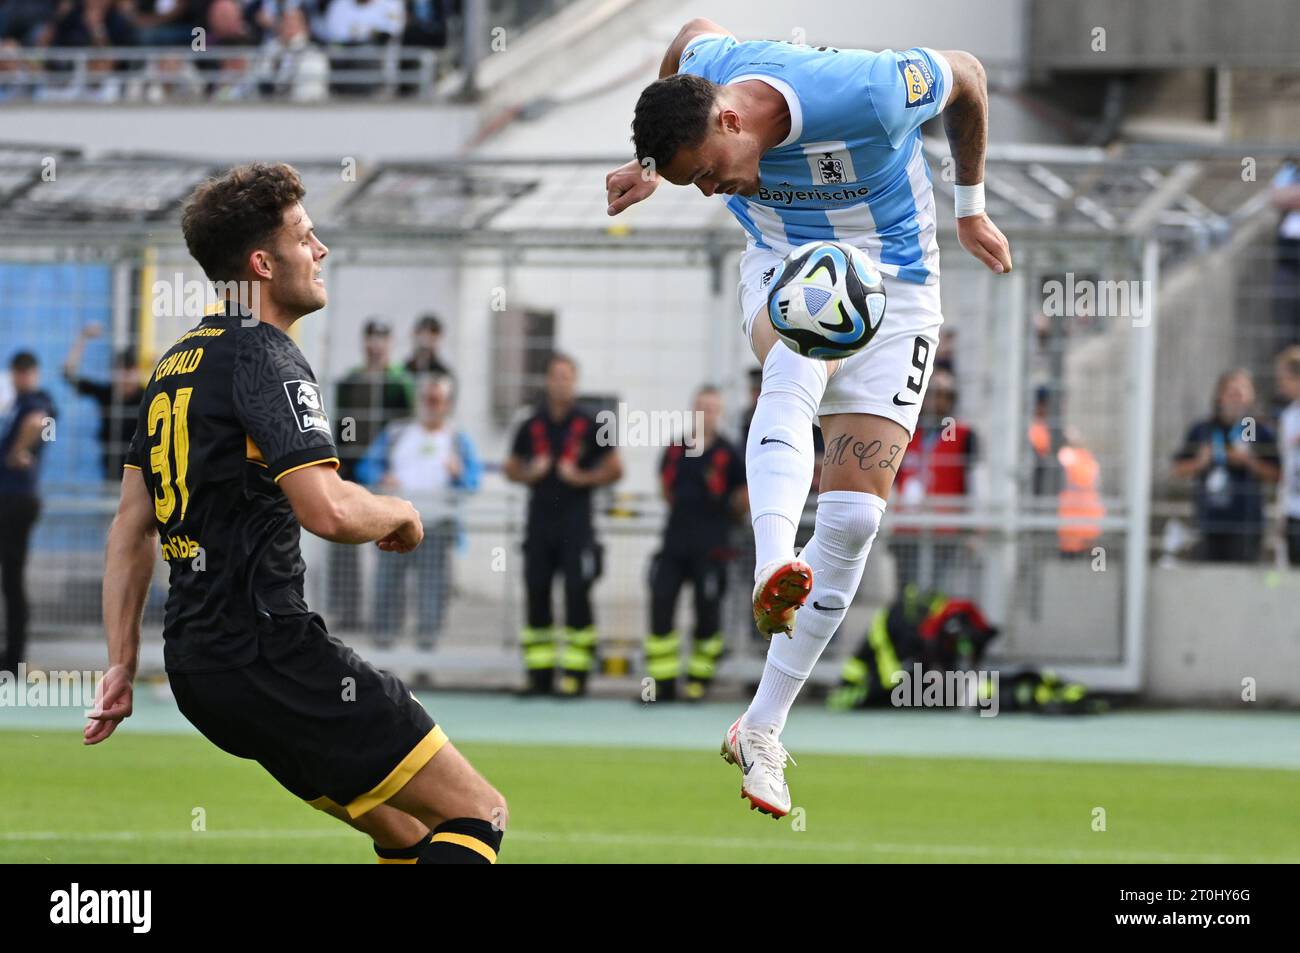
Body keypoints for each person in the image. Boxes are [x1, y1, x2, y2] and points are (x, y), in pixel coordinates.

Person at [606, 19, 1011, 817]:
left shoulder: (870, 91)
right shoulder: (706, 73)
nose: (712, 191)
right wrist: (654, 166)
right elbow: (691, 31)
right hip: (783, 261)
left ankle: (762, 727)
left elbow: (966, 72)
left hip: (897, 282)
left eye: (710, 174)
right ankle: (771, 567)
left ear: (730, 119)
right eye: (695, 185)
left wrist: (970, 205)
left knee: (857, 518)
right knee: (796, 354)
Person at [86, 162, 507, 864]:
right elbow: (329, 510)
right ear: (262, 261)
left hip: (197, 667)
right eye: (307, 237)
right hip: (267, 650)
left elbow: (131, 526)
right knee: (478, 812)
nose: (322, 252)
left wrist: (121, 663)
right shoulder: (264, 354)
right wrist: (399, 511)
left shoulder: (175, 364)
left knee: (407, 831)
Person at [503, 353, 623, 697]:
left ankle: (576, 675)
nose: (561, 383)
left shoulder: (590, 423)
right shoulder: (532, 423)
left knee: (577, 594)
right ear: (547, 381)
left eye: (567, 377)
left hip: (576, 527)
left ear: (575, 381)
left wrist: (582, 477)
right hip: (539, 525)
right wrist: (531, 473)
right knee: (536, 593)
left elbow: (615, 468)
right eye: (555, 376)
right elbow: (510, 467)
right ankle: (538, 676)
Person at [356, 373, 481, 649]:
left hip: (436, 526)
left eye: (437, 399)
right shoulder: (397, 433)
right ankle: (384, 642)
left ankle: (426, 645)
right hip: (393, 524)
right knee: (387, 585)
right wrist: (382, 477)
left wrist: (459, 474)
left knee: (432, 590)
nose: (432, 404)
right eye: (427, 398)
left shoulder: (458, 440)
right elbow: (367, 467)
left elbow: (473, 481)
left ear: (447, 403)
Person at [645, 385, 747, 702]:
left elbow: (743, 496)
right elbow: (666, 489)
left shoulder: (728, 453)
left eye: (713, 407)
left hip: (711, 546)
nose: (707, 412)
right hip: (675, 543)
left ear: (720, 413)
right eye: (701, 406)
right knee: (661, 605)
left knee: (708, 612)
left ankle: (697, 682)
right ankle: (662, 684)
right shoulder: (676, 449)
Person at [330, 318, 412, 629]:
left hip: (385, 474)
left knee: (389, 540)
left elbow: (406, 428)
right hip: (351, 469)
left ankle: (387, 617)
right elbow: (342, 426)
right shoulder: (351, 381)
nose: (376, 346)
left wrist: (393, 465)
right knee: (345, 540)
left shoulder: (399, 383)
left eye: (382, 339)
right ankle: (349, 612)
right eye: (371, 339)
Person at [1171, 369, 1280, 563]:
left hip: (1246, 525)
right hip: (1208, 522)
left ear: (1250, 397)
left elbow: (1277, 474)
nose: (1236, 399)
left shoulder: (1256, 428)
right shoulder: (1203, 428)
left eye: (1241, 393)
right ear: (1219, 396)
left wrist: (1249, 462)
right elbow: (1177, 469)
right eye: (1231, 393)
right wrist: (1200, 462)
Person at [891, 369, 978, 593]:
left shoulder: (963, 435)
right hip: (908, 529)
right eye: (933, 394)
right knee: (907, 592)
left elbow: (973, 483)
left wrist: (972, 528)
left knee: (939, 591)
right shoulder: (907, 432)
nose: (937, 401)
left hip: (945, 529)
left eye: (944, 395)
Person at [0, 351, 56, 675]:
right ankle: (13, 657)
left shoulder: (37, 401)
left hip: (16, 499)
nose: (22, 378)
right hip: (13, 497)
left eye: (26, 372)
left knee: (12, 580)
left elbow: (39, 423)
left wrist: (19, 450)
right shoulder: (16, 403)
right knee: (11, 580)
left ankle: (14, 658)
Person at [63, 322, 145, 481]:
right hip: (111, 466)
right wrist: (83, 338)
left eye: (129, 373)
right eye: (121, 373)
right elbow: (68, 374)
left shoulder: (147, 395)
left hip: (141, 469)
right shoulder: (107, 393)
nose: (125, 379)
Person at [1274, 346, 1300, 565]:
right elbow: (1286, 465)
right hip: (1294, 509)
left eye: (1285, 378)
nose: (1280, 385)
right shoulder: (1288, 416)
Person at [404, 312, 451, 377]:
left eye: (433, 333)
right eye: (423, 333)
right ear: (414, 334)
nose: (427, 338)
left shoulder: (443, 374)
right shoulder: (402, 371)